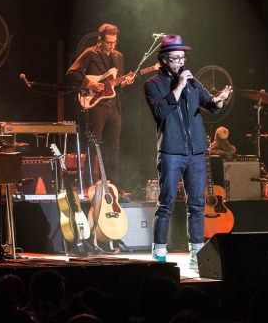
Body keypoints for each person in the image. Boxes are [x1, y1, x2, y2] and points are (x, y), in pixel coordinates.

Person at [144, 34, 232, 268]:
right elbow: (160, 112)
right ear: (163, 60)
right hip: (171, 152)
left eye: (182, 58)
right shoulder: (153, 84)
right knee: (167, 203)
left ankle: (196, 253)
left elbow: (211, 106)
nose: (180, 63)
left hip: (196, 152)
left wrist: (221, 99)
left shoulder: (193, 83)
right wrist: (179, 86)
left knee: (197, 205)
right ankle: (159, 252)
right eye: (174, 59)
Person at [66, 23, 134, 188]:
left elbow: (116, 83)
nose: (111, 46)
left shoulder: (118, 56)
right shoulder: (90, 53)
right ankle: (90, 183)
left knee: (114, 146)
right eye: (108, 42)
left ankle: (113, 185)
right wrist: (90, 84)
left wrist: (125, 82)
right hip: (96, 105)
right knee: (94, 144)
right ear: (100, 40)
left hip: (113, 104)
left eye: (114, 42)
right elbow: (71, 73)